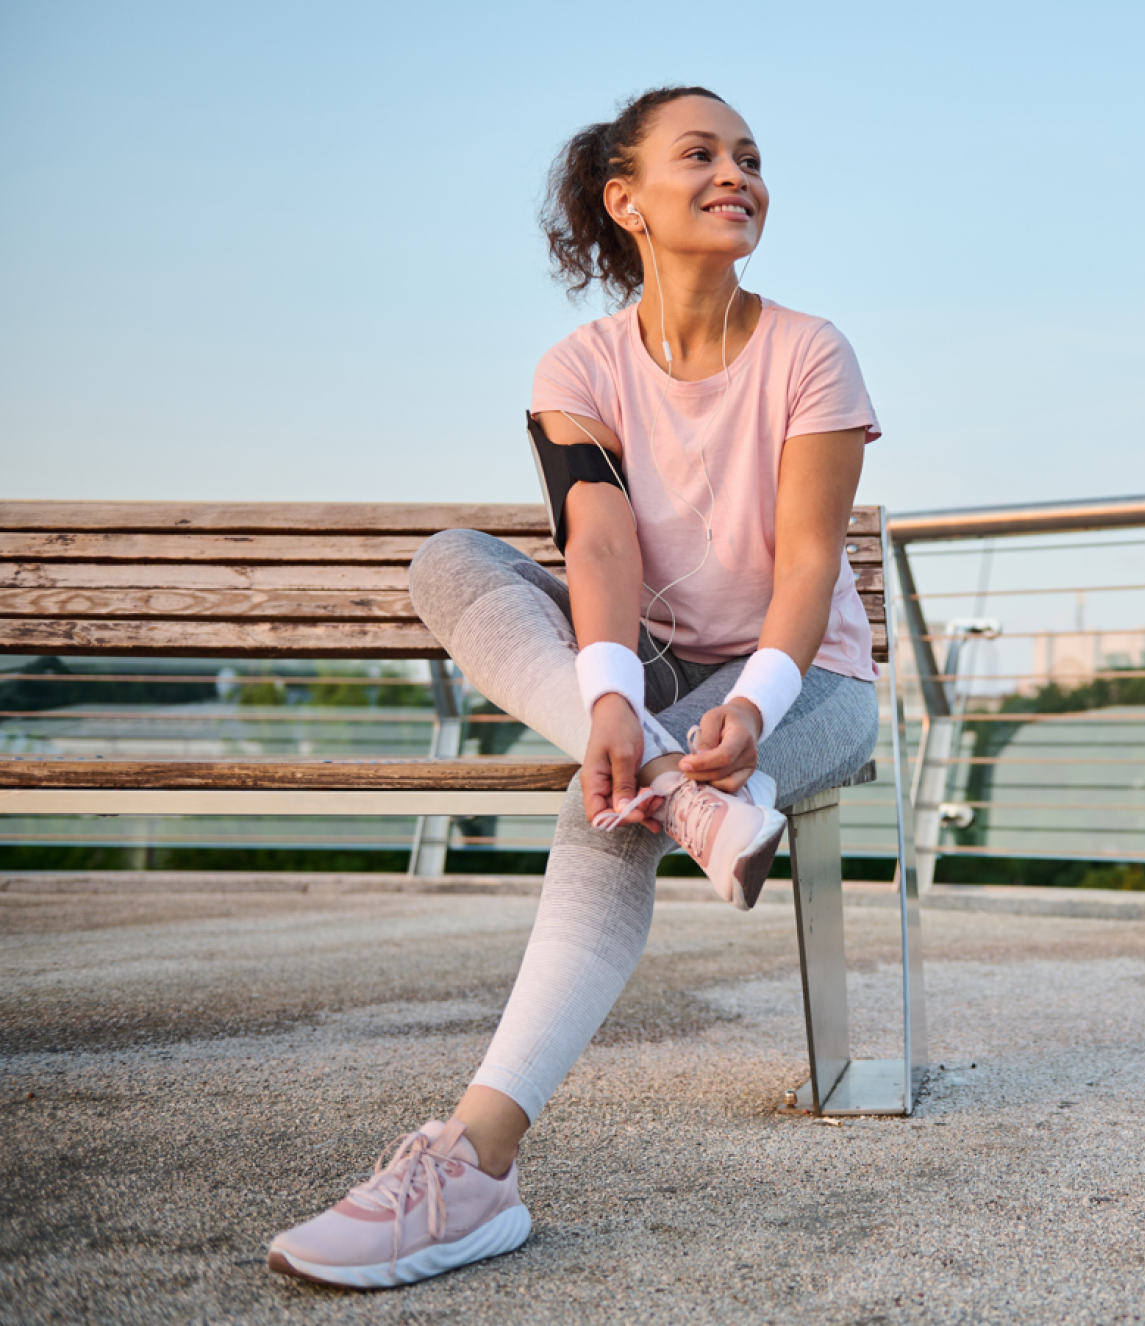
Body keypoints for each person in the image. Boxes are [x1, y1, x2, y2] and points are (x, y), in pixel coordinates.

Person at [266, 85, 881, 1290]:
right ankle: (674, 788)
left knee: (591, 815)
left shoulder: (810, 350)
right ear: (626, 200)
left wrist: (748, 713)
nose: (735, 175)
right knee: (449, 561)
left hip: (805, 681)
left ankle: (473, 1168)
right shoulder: (580, 364)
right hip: (653, 674)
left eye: (749, 158)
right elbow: (597, 544)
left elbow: (812, 565)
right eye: (699, 155)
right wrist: (611, 704)